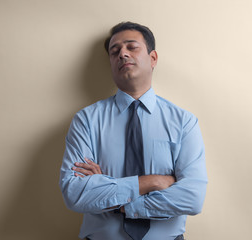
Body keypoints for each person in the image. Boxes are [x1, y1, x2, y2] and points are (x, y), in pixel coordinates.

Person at [59, 22, 207, 240]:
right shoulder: (86, 121)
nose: (122, 54)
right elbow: (75, 193)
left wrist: (116, 199)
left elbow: (192, 198)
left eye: (132, 47)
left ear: (153, 58)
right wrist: (152, 182)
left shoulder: (184, 122)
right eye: (114, 51)